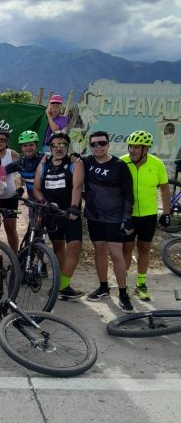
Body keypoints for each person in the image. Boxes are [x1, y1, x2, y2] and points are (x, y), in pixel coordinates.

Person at [82, 131, 135, 312]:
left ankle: (123, 293)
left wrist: (127, 218)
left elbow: (129, 194)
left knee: (116, 253)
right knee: (99, 251)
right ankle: (104, 287)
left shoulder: (119, 165)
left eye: (101, 143)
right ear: (90, 146)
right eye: (94, 144)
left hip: (114, 218)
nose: (98, 147)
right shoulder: (86, 162)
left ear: (108, 145)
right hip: (93, 216)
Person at [33, 131, 84, 300]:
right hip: (51, 213)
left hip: (69, 213)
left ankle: (62, 286)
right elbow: (37, 188)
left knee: (75, 246)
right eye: (55, 145)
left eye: (62, 144)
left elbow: (77, 186)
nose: (59, 148)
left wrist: (74, 207)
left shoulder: (75, 163)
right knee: (58, 247)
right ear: (50, 147)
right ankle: (63, 283)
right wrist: (43, 202)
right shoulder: (43, 164)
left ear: (67, 147)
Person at [121, 131, 171, 301]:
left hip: (148, 215)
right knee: (126, 249)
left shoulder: (157, 164)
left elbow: (164, 188)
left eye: (137, 147)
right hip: (128, 215)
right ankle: (124, 284)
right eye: (131, 146)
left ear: (146, 149)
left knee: (144, 249)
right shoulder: (122, 162)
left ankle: (141, 284)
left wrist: (166, 212)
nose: (132, 150)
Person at [0, 128, 20, 252]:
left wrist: (20, 187)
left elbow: (21, 173)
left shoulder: (12, 154)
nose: (0, 142)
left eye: (3, 139)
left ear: (7, 141)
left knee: (10, 228)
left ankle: (15, 256)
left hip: (10, 197)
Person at [16, 130, 44, 199]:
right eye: (25, 145)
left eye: (31, 145)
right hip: (32, 201)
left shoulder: (46, 158)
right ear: (21, 148)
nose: (28, 148)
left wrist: (74, 157)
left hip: (48, 198)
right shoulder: (19, 162)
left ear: (36, 146)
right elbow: (3, 171)